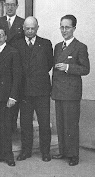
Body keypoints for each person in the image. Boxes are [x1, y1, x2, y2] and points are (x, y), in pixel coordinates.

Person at [12, 16, 53, 162]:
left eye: (32, 28)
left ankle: (45, 151)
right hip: (24, 91)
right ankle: (26, 151)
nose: (30, 31)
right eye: (27, 28)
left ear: (37, 28)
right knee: (25, 123)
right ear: (23, 28)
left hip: (41, 90)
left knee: (44, 123)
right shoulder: (16, 44)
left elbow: (49, 64)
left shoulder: (46, 44)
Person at [51, 15, 90, 166]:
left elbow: (85, 69)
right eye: (62, 27)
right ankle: (63, 151)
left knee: (71, 124)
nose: (64, 30)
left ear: (74, 28)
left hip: (71, 93)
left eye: (67, 27)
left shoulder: (80, 46)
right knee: (60, 123)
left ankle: (73, 154)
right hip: (59, 91)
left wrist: (68, 67)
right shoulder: (57, 46)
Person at [0, 27, 21, 167]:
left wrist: (13, 96)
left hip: (6, 96)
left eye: (1, 35)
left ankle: (8, 155)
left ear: (5, 37)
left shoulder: (13, 52)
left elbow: (17, 76)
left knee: (6, 127)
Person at [0, 0, 25, 132]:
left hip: (16, 62)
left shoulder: (22, 22)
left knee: (14, 99)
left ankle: (11, 130)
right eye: (7, 5)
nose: (10, 7)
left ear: (17, 6)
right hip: (1, 65)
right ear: (4, 6)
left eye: (13, 4)